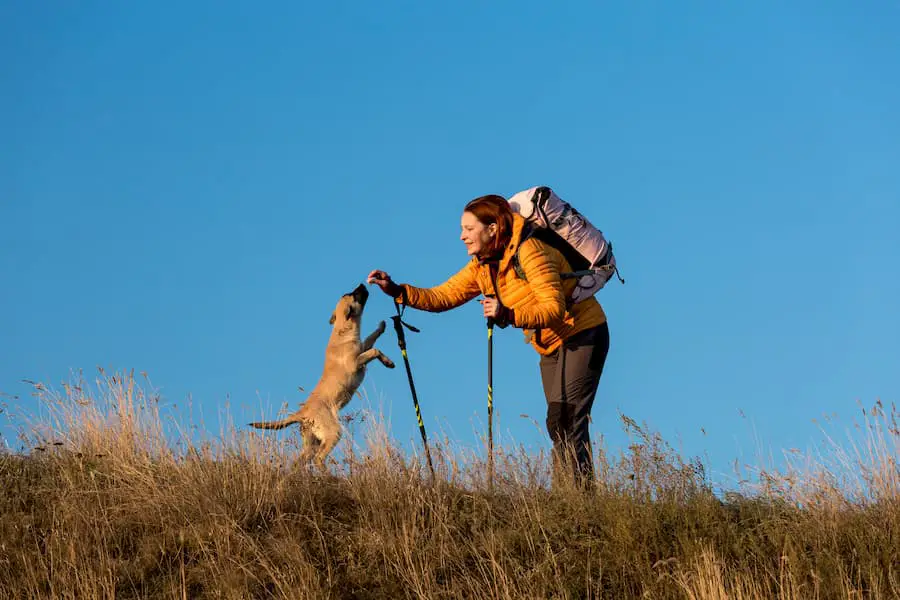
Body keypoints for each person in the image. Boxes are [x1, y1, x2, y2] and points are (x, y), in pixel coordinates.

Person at [368, 194, 609, 488]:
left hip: (583, 332)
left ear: (492, 228)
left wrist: (507, 313)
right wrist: (396, 290)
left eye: (469, 229)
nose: (462, 236)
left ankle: (581, 499)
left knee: (569, 419)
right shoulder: (483, 265)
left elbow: (553, 308)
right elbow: (443, 295)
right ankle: (570, 496)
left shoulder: (531, 250)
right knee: (557, 421)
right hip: (549, 343)